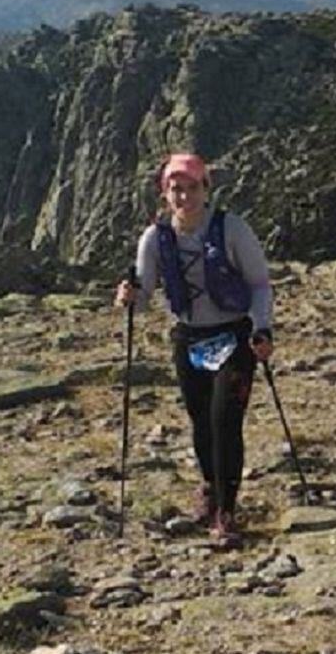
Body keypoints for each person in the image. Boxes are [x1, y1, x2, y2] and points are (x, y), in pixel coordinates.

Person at [115, 152, 274, 551]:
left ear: (206, 189)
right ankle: (209, 487)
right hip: (188, 338)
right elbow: (146, 292)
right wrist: (130, 296)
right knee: (201, 421)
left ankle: (227, 510)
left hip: (234, 337)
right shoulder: (155, 238)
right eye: (175, 189)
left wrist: (261, 327)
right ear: (164, 194)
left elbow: (259, 284)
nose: (183, 196)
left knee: (225, 420)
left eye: (190, 188)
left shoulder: (231, 229)